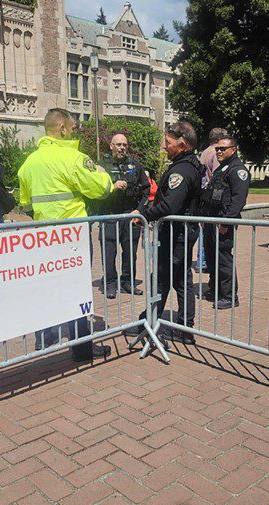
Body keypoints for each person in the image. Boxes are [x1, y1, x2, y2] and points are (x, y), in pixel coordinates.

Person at [18, 108, 127, 361]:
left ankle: (43, 338)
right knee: (77, 290)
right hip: (71, 236)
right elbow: (99, 189)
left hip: (43, 236)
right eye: (73, 127)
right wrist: (102, 175)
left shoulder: (29, 162)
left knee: (47, 286)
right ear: (63, 129)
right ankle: (82, 348)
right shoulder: (73, 157)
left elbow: (25, 202)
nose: (75, 131)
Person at [126, 121, 203, 344]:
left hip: (175, 234)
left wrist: (145, 216)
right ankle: (184, 328)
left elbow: (170, 205)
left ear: (182, 144)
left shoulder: (182, 170)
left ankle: (149, 322)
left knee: (161, 278)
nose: (164, 146)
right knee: (181, 280)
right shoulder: (190, 166)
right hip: (181, 233)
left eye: (168, 143)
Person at [199, 135, 250, 309]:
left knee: (223, 258)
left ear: (233, 149)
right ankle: (215, 289)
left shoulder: (238, 170)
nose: (219, 151)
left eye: (223, 148)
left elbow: (238, 200)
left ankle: (229, 296)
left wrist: (226, 222)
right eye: (217, 148)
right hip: (212, 220)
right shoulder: (223, 168)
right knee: (212, 257)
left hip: (223, 221)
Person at [97, 133, 150, 298]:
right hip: (109, 215)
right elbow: (94, 191)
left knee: (130, 252)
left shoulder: (135, 165)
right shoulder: (101, 165)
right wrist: (112, 186)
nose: (122, 148)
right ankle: (110, 284)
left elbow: (146, 190)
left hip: (130, 215)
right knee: (109, 252)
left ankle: (128, 282)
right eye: (118, 144)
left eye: (124, 145)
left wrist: (139, 210)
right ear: (111, 146)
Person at [196, 128, 229, 271]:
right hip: (212, 196)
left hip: (203, 194)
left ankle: (200, 260)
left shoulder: (205, 152)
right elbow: (218, 175)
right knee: (210, 230)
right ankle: (204, 261)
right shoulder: (215, 153)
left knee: (204, 229)